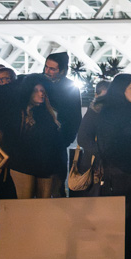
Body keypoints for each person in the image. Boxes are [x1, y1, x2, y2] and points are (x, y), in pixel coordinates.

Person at [77, 73, 131, 259]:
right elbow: (85, 137)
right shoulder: (102, 108)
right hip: (118, 172)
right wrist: (103, 156)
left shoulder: (128, 108)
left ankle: (126, 258)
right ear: (121, 89)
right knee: (121, 216)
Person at [1, 74, 66, 199]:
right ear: (28, 92)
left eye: (42, 91)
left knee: (42, 205)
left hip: (45, 166)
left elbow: (53, 140)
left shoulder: (46, 113)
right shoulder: (17, 113)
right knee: (25, 203)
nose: (41, 94)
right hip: (23, 165)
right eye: (36, 91)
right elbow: (11, 139)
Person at [42, 51, 82, 195]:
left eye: (52, 69)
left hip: (58, 141)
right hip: (37, 141)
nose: (48, 71)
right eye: (46, 67)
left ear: (62, 71)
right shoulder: (39, 83)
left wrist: (65, 139)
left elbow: (75, 117)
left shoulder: (69, 87)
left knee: (57, 181)